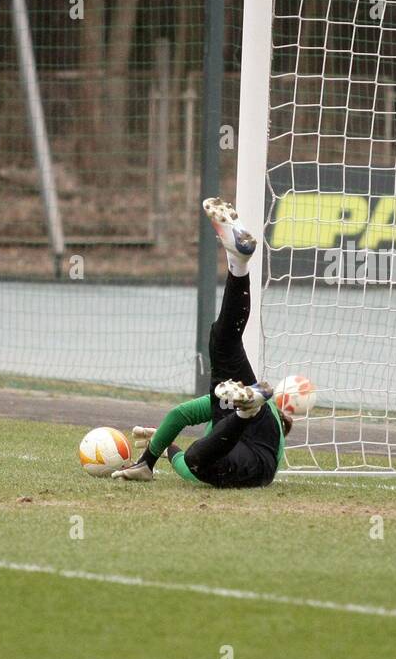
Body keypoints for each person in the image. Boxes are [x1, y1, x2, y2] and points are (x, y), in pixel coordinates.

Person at [113, 198, 288, 488]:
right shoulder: (226, 399)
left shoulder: (223, 405)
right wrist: (151, 455)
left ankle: (247, 412)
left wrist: (159, 451)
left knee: (195, 461)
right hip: (257, 429)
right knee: (222, 339)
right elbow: (179, 417)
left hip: (254, 461)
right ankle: (237, 264)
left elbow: (183, 450)